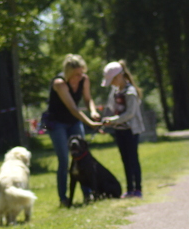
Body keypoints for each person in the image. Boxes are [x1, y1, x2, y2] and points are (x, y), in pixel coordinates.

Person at [46, 54, 102, 207]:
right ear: (69, 73)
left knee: (83, 157)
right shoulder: (59, 84)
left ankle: (87, 193)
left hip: (74, 122)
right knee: (64, 160)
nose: (80, 76)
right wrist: (90, 123)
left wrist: (93, 111)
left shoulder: (84, 79)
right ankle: (63, 198)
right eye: (77, 74)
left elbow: (88, 98)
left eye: (82, 72)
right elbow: (73, 108)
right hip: (57, 123)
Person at [101, 61, 145, 198]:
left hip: (131, 131)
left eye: (112, 80)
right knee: (125, 160)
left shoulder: (131, 92)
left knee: (133, 159)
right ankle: (129, 189)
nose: (111, 83)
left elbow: (129, 114)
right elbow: (110, 108)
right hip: (119, 130)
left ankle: (138, 189)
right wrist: (104, 122)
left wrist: (112, 120)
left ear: (119, 76)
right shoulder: (114, 91)